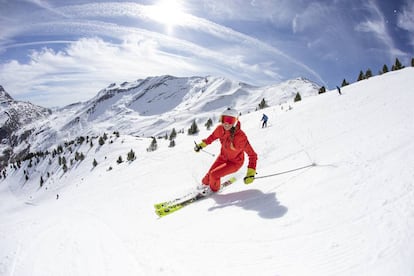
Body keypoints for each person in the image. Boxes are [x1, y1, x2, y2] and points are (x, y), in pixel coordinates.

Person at [194, 108, 258, 192]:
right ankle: (205, 186)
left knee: (214, 175)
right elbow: (212, 137)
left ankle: (213, 190)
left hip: (235, 162)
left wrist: (251, 173)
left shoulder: (240, 137)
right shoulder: (220, 129)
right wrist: (201, 145)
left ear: (235, 121)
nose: (226, 123)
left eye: (230, 120)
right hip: (222, 157)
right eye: (224, 119)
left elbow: (252, 155)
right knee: (206, 179)